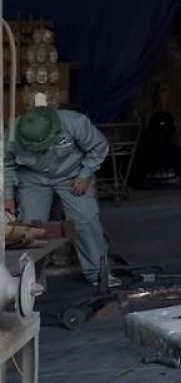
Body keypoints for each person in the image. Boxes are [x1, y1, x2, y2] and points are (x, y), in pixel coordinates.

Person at [4, 106, 111, 287]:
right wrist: (7, 196)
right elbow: (5, 164)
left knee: (85, 220)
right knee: (30, 226)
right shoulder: (12, 134)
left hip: (72, 175)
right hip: (33, 178)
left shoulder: (75, 122)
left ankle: (99, 274)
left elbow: (99, 146)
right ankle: (29, 282)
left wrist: (84, 175)